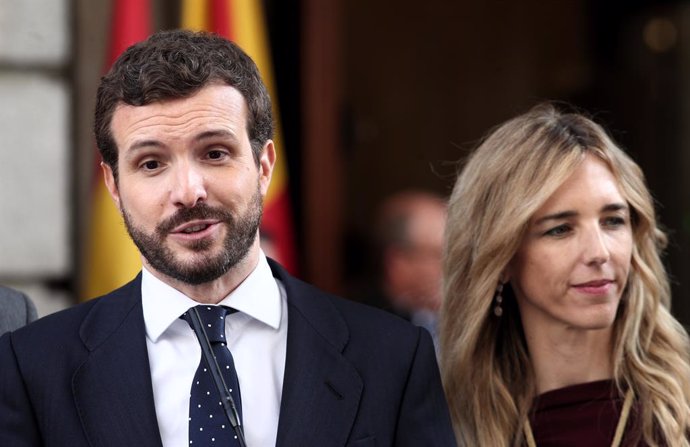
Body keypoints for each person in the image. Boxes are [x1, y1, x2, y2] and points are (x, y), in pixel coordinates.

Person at [0, 30, 455, 447]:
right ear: (114, 186)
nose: (187, 192)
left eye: (214, 153)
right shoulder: (33, 366)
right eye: (151, 164)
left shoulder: (392, 356)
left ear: (263, 166)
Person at [441, 103, 690, 446]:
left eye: (613, 221)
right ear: (501, 259)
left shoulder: (680, 416)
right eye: (560, 229)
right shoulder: (453, 427)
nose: (599, 253)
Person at [370, 190, 446, 350]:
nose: (451, 267)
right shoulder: (366, 328)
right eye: (438, 254)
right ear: (398, 262)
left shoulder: (458, 319)